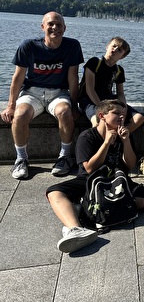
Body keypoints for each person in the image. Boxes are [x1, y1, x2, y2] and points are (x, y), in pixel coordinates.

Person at [45, 100, 144, 253]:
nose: (122, 117)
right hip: (90, 181)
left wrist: (126, 141)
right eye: (116, 113)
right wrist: (107, 143)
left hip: (116, 180)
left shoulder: (124, 134)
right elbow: (89, 168)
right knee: (54, 191)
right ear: (102, 116)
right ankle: (76, 229)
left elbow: (129, 165)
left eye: (124, 114)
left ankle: (89, 210)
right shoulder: (87, 137)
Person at [1, 11, 84, 179]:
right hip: (32, 91)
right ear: (43, 27)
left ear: (65, 28)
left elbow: (73, 78)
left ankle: (65, 157)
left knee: (64, 112)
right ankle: (21, 159)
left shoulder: (72, 46)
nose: (55, 28)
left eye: (59, 25)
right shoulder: (29, 46)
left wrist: (74, 105)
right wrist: (11, 105)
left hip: (59, 92)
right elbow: (18, 78)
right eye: (51, 24)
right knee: (20, 114)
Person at [78, 37, 144, 133]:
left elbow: (120, 93)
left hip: (108, 99)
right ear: (107, 47)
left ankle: (118, 137)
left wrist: (123, 108)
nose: (115, 49)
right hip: (89, 100)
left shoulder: (119, 70)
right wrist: (102, 107)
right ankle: (97, 144)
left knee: (139, 118)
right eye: (113, 46)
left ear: (122, 56)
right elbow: (89, 89)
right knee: (98, 122)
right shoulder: (94, 63)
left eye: (119, 50)